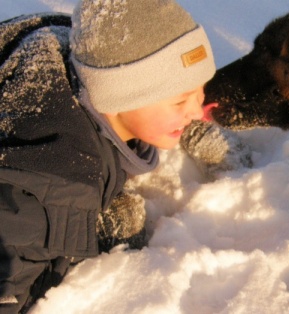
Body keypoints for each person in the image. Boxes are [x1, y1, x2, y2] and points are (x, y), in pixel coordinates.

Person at [0, 1, 251, 313]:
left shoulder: (90, 58)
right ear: (118, 99)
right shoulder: (53, 189)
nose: (198, 110)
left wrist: (177, 116)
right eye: (180, 101)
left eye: (199, 91)